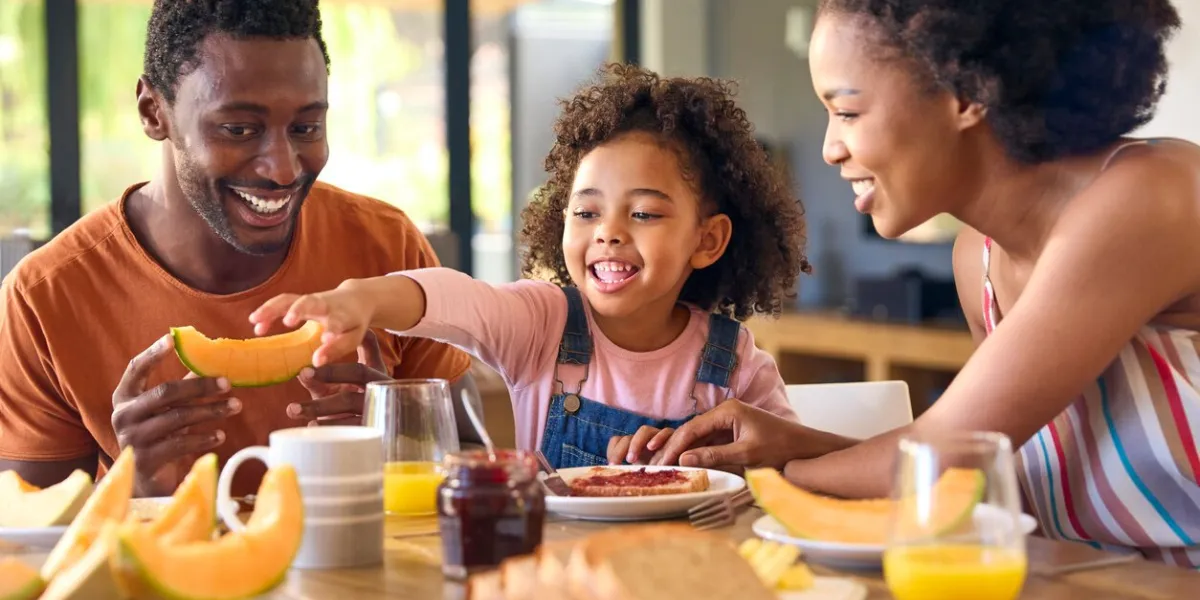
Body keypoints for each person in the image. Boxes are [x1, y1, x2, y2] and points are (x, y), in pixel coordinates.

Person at [644, 0, 1200, 568]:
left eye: (848, 112)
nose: (830, 148)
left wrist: (763, 474)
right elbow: (976, 463)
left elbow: (948, 457)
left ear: (965, 92)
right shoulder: (976, 261)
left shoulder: (1152, 197)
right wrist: (797, 446)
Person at [0, 0, 481, 498]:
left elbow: (476, 460)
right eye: (238, 129)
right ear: (153, 111)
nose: (283, 169)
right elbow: (27, 545)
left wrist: (398, 442)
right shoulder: (44, 297)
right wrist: (137, 490)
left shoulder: (389, 246)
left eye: (305, 128)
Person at [247, 64, 811, 469]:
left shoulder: (732, 360)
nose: (608, 231)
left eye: (642, 212)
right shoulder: (542, 323)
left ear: (707, 240)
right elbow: (454, 298)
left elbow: (791, 464)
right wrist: (363, 299)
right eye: (586, 211)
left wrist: (729, 467)